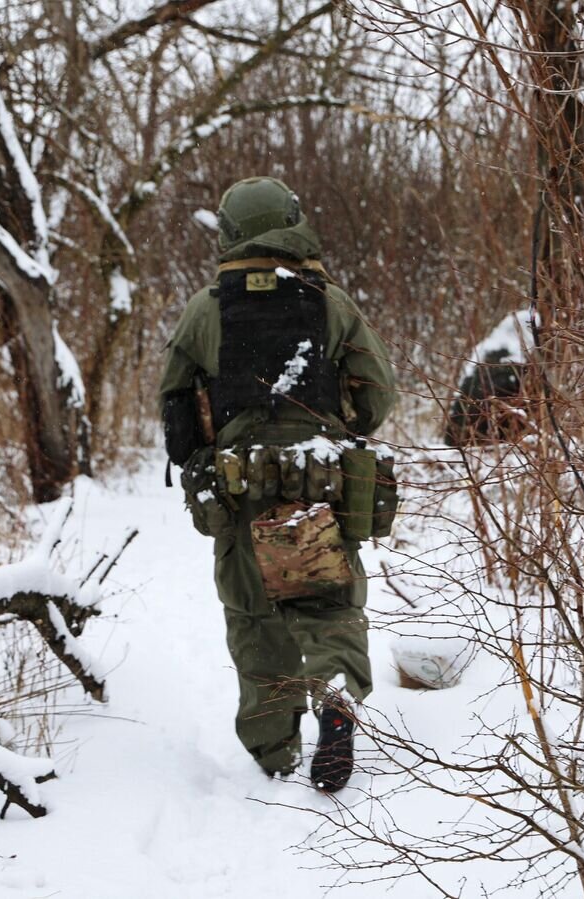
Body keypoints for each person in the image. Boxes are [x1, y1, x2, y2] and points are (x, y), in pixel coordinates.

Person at [159, 176, 396, 792]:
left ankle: (274, 753)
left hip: (239, 487)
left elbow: (175, 406)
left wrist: (201, 456)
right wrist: (342, 426)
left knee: (253, 612)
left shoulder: (205, 308)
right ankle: (335, 698)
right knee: (329, 602)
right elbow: (379, 394)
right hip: (319, 478)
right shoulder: (330, 302)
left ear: (232, 233)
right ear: (292, 224)